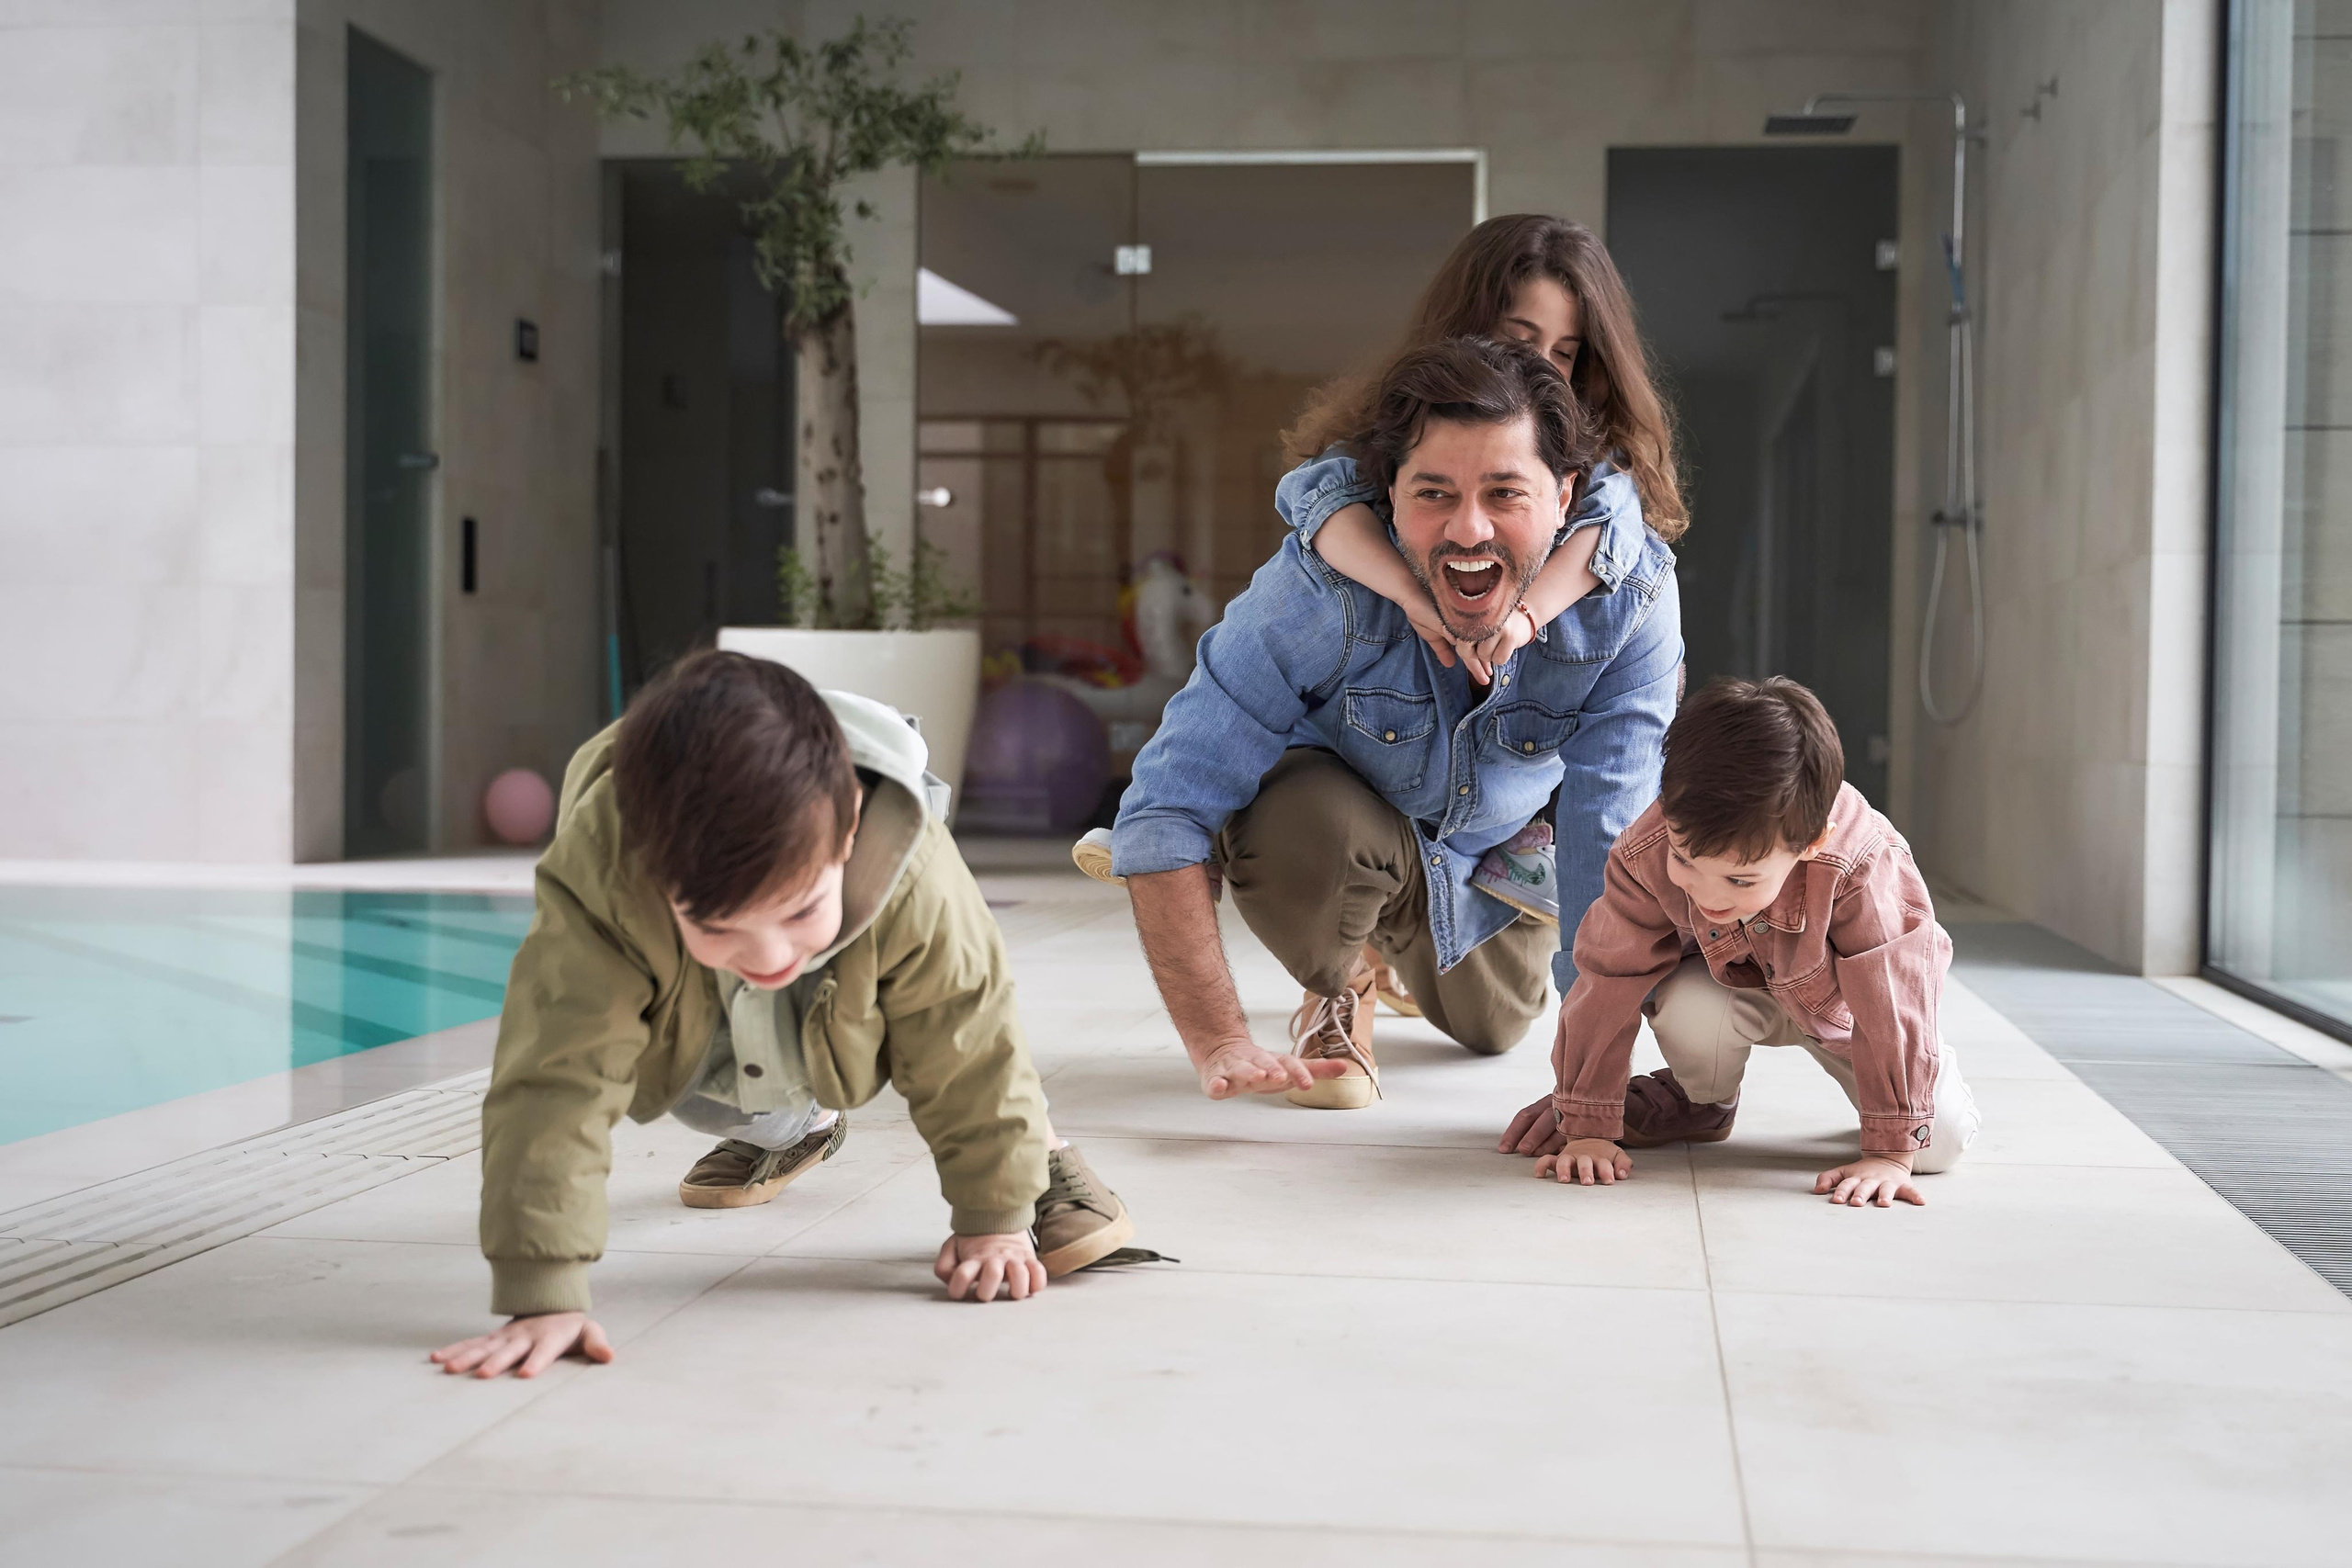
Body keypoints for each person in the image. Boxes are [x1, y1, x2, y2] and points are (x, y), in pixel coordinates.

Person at [433, 651, 1132, 1380]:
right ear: (649, 869)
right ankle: (801, 1126)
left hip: (871, 1005)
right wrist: (544, 1292)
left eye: (798, 911)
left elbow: (971, 1044)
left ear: (851, 825)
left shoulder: (913, 867)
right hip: (717, 1011)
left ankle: (1040, 1151)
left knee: (958, 1043)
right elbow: (555, 1079)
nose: (769, 955)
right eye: (721, 925)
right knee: (697, 1088)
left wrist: (994, 1218)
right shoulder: (605, 873)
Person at [1095, 334, 1682, 1109]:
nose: (1468, 530)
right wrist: (1219, 1038)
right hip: (1349, 830)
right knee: (1301, 825)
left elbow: (1613, 835)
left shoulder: (1629, 602)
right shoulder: (1319, 591)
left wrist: (1592, 1088)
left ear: (1566, 495)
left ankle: (1408, 943)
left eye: (1505, 493)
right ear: (1390, 494)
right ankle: (1345, 977)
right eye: (1433, 493)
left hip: (1490, 856)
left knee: (1497, 1023)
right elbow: (1166, 805)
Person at [1275, 214, 1686, 941]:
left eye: (1566, 353)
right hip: (1360, 769)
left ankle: (1516, 844)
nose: (1544, 368)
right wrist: (1412, 595)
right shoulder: (1390, 448)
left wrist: (1522, 619)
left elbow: (1616, 528)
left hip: (1502, 789)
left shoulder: (1598, 485)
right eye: (1521, 341)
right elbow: (1316, 497)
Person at [1500, 676, 1982, 1205]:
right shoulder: (1647, 849)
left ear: (1811, 842)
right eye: (1685, 862)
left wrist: (1889, 1152)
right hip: (1729, 989)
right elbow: (1606, 980)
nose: (1709, 895)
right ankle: (1701, 1102)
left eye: (1740, 879)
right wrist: (1587, 1124)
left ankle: (1923, 1072)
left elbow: (1892, 1001)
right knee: (1685, 1007)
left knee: (1933, 1145)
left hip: (1851, 1013)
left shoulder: (1861, 861)